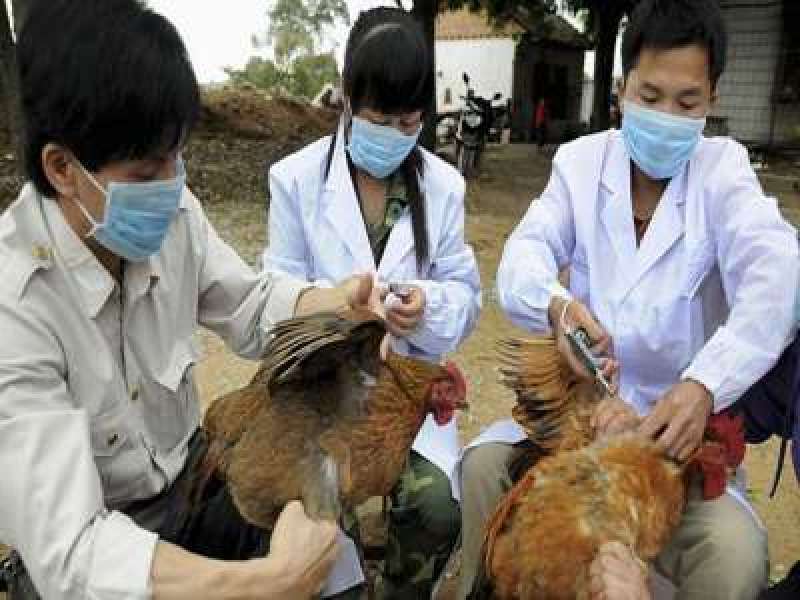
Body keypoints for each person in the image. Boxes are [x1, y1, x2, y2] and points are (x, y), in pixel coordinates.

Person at [0, 1, 386, 598]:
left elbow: (251, 306)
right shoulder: (14, 305)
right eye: (146, 172)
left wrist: (334, 303)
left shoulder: (174, 217)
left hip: (191, 484)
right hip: (103, 543)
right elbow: (75, 552)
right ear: (62, 168)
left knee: (324, 532)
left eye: (177, 157)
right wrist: (266, 583)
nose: (172, 185)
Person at [458, 0, 800, 598]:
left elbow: (779, 277)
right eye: (650, 95)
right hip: (582, 420)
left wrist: (704, 384)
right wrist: (558, 306)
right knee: (485, 470)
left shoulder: (724, 174)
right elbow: (523, 256)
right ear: (621, 91)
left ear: (713, 98)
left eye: (687, 102)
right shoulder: (580, 163)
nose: (666, 116)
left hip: (676, 445)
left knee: (734, 555)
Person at [263, 7, 481, 598]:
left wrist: (428, 306)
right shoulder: (295, 180)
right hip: (321, 398)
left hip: (404, 401)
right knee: (321, 518)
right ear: (348, 96)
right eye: (380, 118)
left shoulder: (443, 187)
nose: (395, 133)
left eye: (409, 120)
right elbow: (276, 297)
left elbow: (466, 297)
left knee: (435, 508)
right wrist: (343, 318)